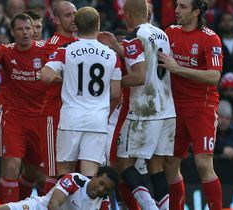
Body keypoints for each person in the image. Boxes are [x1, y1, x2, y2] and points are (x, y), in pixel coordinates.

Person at [100, 0, 175, 209]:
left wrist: (113, 83)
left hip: (145, 109)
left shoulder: (134, 37)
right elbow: (147, 60)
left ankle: (149, 207)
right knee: (156, 166)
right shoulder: (162, 34)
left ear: (128, 15)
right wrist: (116, 47)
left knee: (123, 164)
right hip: (167, 109)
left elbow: (139, 76)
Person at [41, 6, 121, 177]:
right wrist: (104, 114)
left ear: (76, 25)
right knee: (89, 177)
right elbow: (115, 94)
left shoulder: (65, 50)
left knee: (64, 175)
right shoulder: (112, 55)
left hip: (71, 119)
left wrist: (67, 77)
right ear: (98, 25)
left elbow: (45, 76)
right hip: (97, 121)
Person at [158, 0, 224, 209]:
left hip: (201, 107)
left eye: (183, 7)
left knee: (203, 162)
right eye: (177, 5)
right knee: (170, 164)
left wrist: (177, 69)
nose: (176, 11)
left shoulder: (210, 39)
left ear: (196, 11)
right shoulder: (170, 32)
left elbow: (214, 76)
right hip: (173, 107)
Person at [0, 13, 47, 204]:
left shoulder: (46, 49)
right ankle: (7, 208)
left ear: (33, 30)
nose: (25, 32)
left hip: (38, 117)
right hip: (12, 115)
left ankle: (25, 206)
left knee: (35, 173)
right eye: (20, 29)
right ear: (12, 32)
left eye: (28, 28)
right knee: (11, 166)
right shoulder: (5, 51)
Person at [39, 0, 78, 193]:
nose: (74, 19)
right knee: (54, 172)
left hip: (78, 115)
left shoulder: (82, 43)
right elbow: (50, 75)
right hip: (55, 114)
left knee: (78, 172)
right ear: (56, 19)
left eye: (75, 14)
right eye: (68, 15)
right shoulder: (52, 45)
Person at [0, 166, 119, 210]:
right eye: (101, 183)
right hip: (41, 208)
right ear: (95, 176)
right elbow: (53, 204)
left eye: (107, 189)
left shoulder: (104, 203)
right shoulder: (74, 180)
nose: (102, 190)